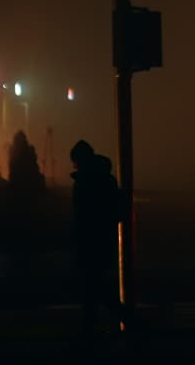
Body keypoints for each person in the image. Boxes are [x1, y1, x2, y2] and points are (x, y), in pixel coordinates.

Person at [70, 139, 122, 338]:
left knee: (94, 289)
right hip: (101, 240)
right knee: (94, 289)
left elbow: (84, 216)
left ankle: (128, 321)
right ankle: (90, 329)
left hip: (91, 242)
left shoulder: (86, 182)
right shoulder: (105, 179)